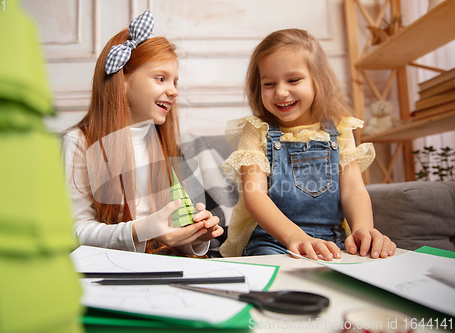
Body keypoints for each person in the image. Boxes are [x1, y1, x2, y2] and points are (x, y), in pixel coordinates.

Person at [220, 29, 396, 260]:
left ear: (318, 81)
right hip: (273, 240)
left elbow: (353, 189)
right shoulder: (257, 129)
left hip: (332, 240)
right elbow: (256, 196)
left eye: (293, 80)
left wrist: (363, 229)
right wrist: (295, 237)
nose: (281, 92)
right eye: (269, 83)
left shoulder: (340, 128)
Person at [63, 10, 222, 257]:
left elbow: (167, 234)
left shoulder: (157, 140)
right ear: (122, 81)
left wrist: (194, 236)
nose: (173, 91)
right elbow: (75, 232)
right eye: (161, 78)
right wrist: (140, 230)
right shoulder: (79, 143)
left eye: (175, 82)